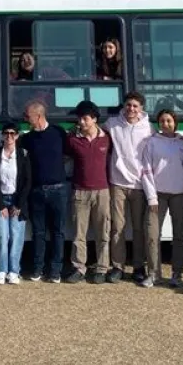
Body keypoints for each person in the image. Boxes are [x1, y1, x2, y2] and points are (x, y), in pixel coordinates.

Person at [104, 91, 152, 284]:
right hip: (118, 183)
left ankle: (139, 266)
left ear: (141, 109)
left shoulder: (148, 128)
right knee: (118, 227)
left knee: (139, 228)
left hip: (139, 185)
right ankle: (118, 266)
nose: (131, 109)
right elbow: (96, 130)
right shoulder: (113, 123)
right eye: (128, 105)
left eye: (135, 106)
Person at [63, 101, 112, 284]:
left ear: (94, 119)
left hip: (102, 191)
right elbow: (64, 157)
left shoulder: (106, 138)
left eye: (85, 118)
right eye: (79, 118)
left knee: (103, 232)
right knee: (78, 234)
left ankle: (101, 268)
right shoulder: (72, 139)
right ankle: (79, 268)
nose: (81, 122)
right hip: (80, 192)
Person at [140, 109, 183, 288]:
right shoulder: (152, 142)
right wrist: (151, 197)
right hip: (157, 195)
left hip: (180, 195)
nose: (165, 124)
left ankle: (177, 273)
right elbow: (146, 170)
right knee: (152, 234)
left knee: (179, 235)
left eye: (169, 121)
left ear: (175, 122)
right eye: (162, 121)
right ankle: (153, 274)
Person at [19, 101, 67, 283]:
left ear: (38, 116)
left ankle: (55, 271)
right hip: (37, 191)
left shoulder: (58, 133)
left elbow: (69, 153)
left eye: (27, 116)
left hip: (58, 190)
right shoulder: (27, 138)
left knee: (58, 232)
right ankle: (38, 268)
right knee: (38, 232)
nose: (25, 119)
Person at [0, 121, 31, 285]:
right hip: (1, 201)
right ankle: (0, 271)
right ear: (2, 136)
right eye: (6, 133)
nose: (9, 136)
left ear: (18, 136)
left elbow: (27, 181)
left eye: (13, 133)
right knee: (1, 236)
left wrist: (18, 204)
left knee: (16, 236)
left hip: (18, 202)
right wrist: (1, 205)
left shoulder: (23, 154)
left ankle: (14, 271)